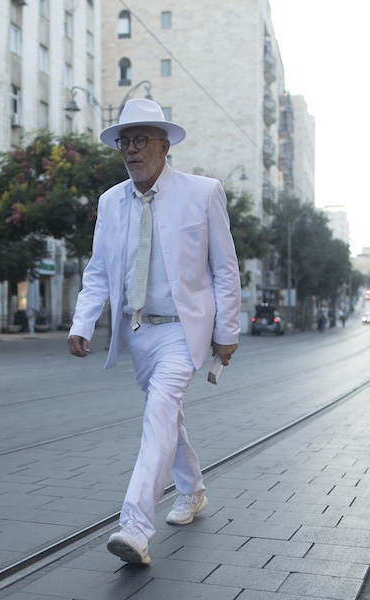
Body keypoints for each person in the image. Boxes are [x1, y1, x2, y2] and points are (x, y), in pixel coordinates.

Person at [67, 99, 241, 566]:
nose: (131, 149)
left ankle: (136, 527)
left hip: (185, 331)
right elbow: (99, 271)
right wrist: (82, 322)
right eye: (125, 140)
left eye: (142, 139)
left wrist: (227, 330)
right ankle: (193, 490)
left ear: (166, 146)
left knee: (159, 413)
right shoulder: (110, 201)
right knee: (167, 417)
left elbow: (224, 269)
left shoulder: (203, 193)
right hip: (139, 332)